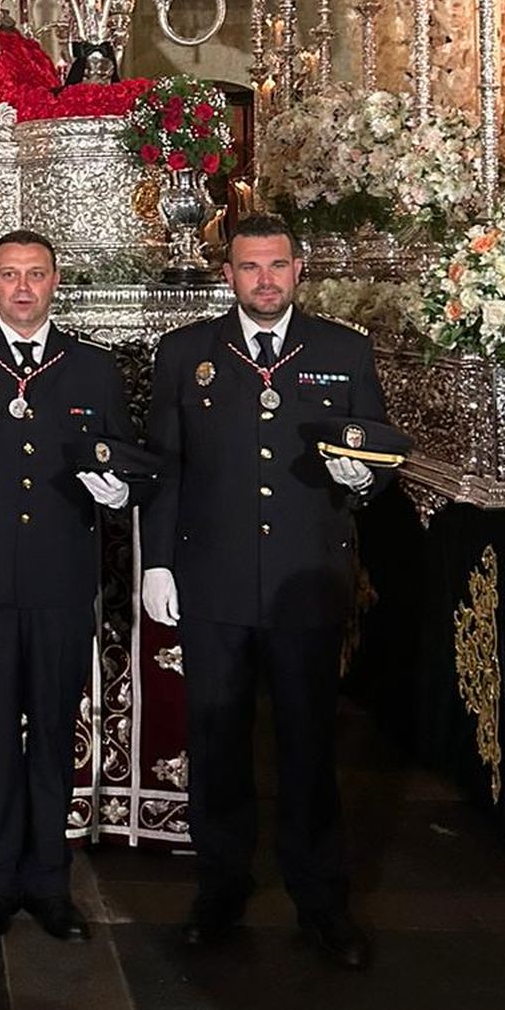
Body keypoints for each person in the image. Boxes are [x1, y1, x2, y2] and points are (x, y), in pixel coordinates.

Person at [142, 214, 390, 970]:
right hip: (212, 580)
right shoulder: (187, 353)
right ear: (229, 274)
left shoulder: (343, 350)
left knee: (311, 742)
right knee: (216, 741)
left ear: (298, 268)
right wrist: (158, 562)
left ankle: (322, 899)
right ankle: (220, 887)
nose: (265, 279)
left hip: (304, 582)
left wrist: (367, 475)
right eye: (250, 267)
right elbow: (166, 469)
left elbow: (378, 447)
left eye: (277, 264)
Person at [0, 231, 137, 940]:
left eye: (35, 274)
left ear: (55, 280)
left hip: (60, 588)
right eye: (9, 274)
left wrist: (116, 491)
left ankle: (49, 882)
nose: (21, 287)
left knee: (49, 735)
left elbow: (124, 467)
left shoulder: (92, 368)